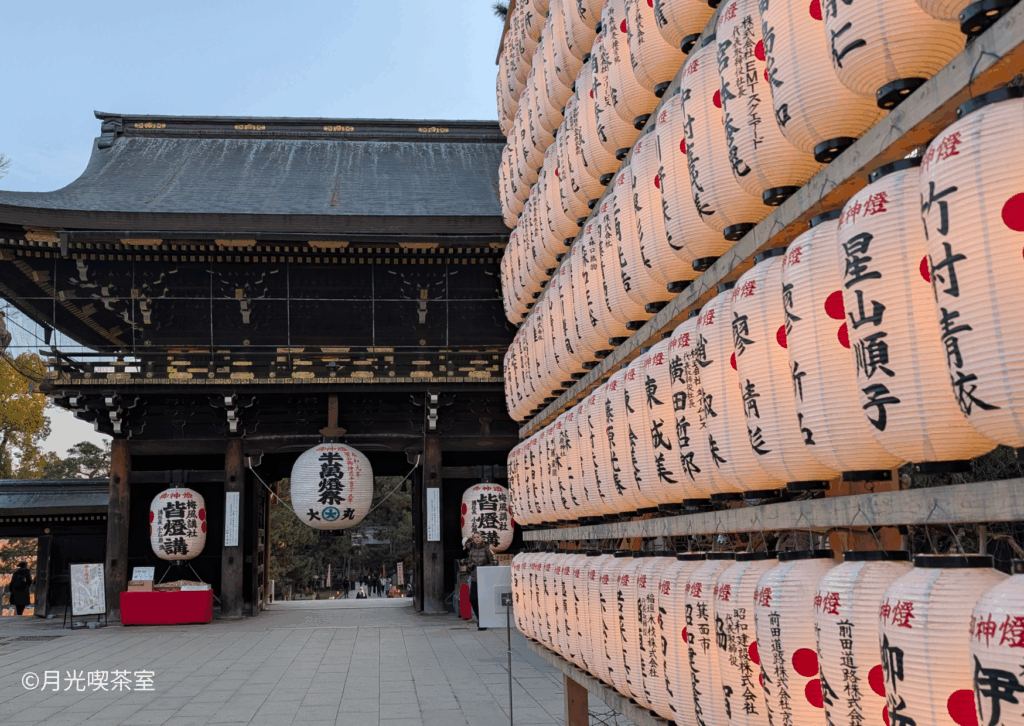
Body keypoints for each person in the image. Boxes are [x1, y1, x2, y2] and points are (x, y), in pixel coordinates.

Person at [464, 531, 496, 630]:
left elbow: (494, 563)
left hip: (485, 578)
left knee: (484, 600)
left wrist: (483, 568)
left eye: (478, 537)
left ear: (482, 538)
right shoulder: (472, 551)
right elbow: (468, 568)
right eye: (475, 537)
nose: (476, 539)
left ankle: (484, 622)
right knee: (473, 599)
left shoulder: (487, 550)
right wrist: (469, 566)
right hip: (474, 578)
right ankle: (480, 619)